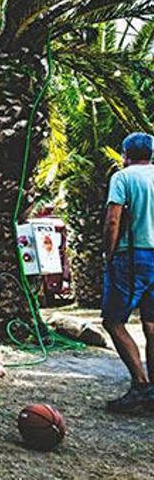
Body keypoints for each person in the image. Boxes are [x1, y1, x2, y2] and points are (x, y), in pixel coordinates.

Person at [101, 132, 154, 412]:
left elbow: (113, 220)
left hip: (132, 257)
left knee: (113, 321)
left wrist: (109, 255)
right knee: (152, 325)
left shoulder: (123, 177)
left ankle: (141, 387)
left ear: (125, 153)